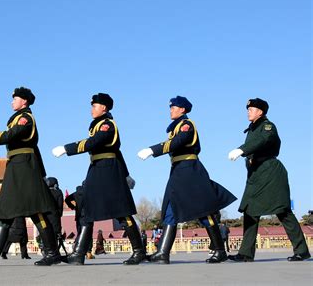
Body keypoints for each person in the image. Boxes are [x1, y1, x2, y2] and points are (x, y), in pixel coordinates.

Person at [0, 87, 60, 266]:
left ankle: (51, 253)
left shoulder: (26, 118)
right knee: (5, 209)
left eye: (15, 99)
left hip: (25, 167)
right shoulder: (18, 117)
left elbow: (11, 134)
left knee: (35, 210)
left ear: (24, 101)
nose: (12, 102)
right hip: (16, 167)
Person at [138, 96, 237, 264]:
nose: (171, 110)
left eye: (174, 107)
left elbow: (179, 142)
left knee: (203, 211)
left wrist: (153, 150)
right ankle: (163, 252)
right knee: (170, 209)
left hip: (190, 170)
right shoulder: (175, 127)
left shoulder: (187, 125)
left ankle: (220, 250)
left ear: (182, 109)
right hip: (178, 171)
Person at [52, 93, 145, 265]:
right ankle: (78, 254)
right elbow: (116, 151)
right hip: (97, 169)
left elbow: (94, 142)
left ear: (104, 108)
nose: (91, 109)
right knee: (87, 210)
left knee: (121, 212)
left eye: (95, 106)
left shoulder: (107, 125)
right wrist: (127, 173)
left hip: (109, 171)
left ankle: (139, 251)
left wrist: (67, 148)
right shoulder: (98, 125)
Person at [227, 98, 311, 262]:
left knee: (282, 210)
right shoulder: (252, 129)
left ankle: (301, 250)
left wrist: (241, 149)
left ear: (261, 111)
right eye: (248, 109)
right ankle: (246, 253)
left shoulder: (268, 126)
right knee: (249, 211)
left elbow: (263, 140)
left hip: (270, 172)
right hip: (256, 175)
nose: (248, 111)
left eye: (252, 109)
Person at [46, 177, 66, 255]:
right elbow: (60, 205)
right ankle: (55, 251)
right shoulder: (58, 192)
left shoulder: (45, 191)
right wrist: (59, 214)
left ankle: (47, 251)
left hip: (46, 214)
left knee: (46, 233)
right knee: (55, 234)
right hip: (55, 216)